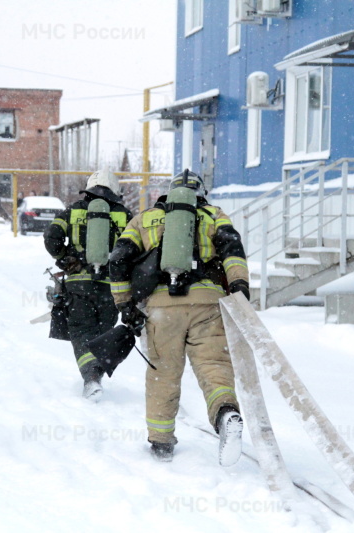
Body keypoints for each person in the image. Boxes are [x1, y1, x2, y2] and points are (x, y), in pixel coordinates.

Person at [108, 170, 250, 465]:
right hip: (208, 304)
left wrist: (125, 303)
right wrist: (239, 287)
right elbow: (233, 250)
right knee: (213, 366)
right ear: (201, 193)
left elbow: (118, 259)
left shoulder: (144, 219)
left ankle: (161, 442)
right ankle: (225, 414)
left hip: (161, 308)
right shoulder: (214, 215)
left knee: (163, 373)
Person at [43, 170, 133, 401]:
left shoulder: (73, 210)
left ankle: (90, 379)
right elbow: (136, 249)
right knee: (103, 335)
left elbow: (51, 236)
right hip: (111, 288)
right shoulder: (125, 215)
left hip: (78, 286)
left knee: (81, 332)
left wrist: (65, 258)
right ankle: (95, 377)